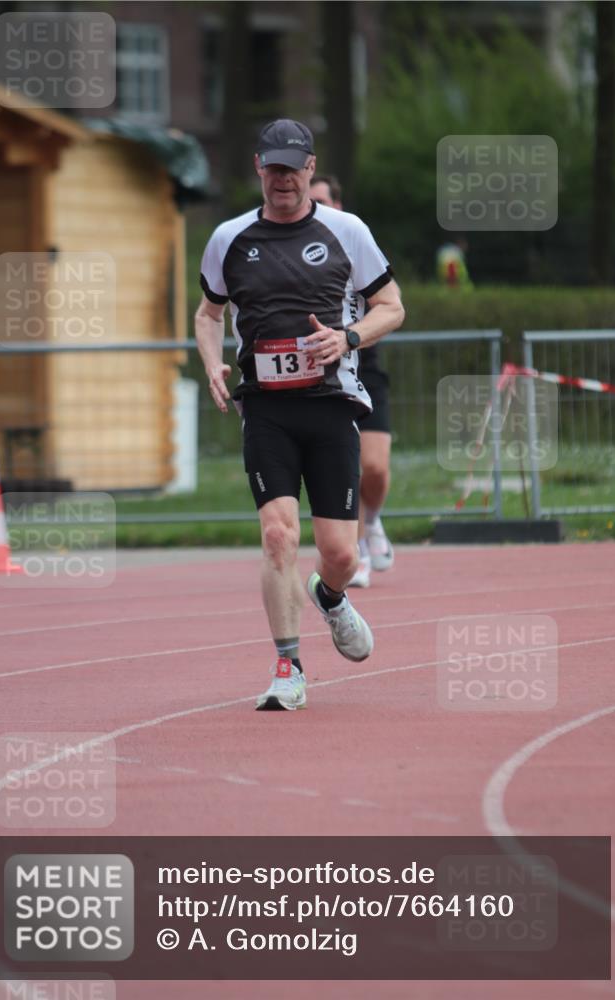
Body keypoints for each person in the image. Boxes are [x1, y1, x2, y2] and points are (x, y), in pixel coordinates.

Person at [195, 119, 404, 711]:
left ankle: (330, 597)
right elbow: (208, 314)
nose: (283, 178)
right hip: (265, 409)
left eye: (294, 167)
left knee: (341, 555)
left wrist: (349, 337)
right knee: (278, 534)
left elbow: (392, 306)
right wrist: (212, 363)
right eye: (273, 167)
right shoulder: (228, 238)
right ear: (258, 168)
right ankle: (288, 665)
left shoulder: (347, 230)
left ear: (311, 169)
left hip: (330, 404)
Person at [310, 174, 395, 589]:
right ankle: (355, 549)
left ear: (339, 204)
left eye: (324, 201)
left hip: (364, 365)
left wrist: (351, 337)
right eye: (312, 202)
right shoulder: (287, 245)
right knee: (353, 465)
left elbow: (389, 304)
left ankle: (374, 521)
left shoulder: (356, 238)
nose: (317, 208)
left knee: (376, 467)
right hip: (320, 378)